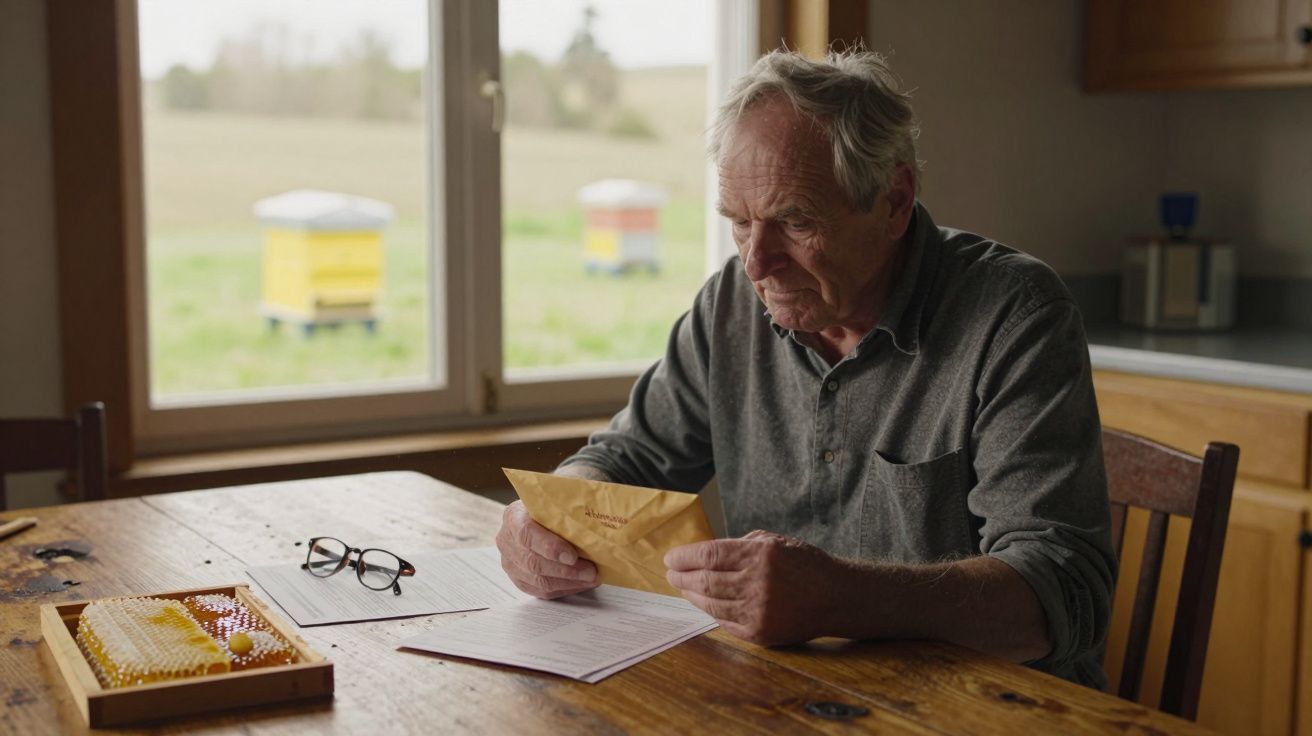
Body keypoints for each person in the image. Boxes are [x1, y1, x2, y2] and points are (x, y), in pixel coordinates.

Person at [495, 48, 1116, 689]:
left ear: (894, 200)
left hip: (987, 706)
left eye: (794, 220)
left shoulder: (1013, 315)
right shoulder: (730, 305)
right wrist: (546, 515)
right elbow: (628, 458)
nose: (757, 263)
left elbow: (1064, 592)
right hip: (788, 696)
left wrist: (844, 597)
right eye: (739, 223)